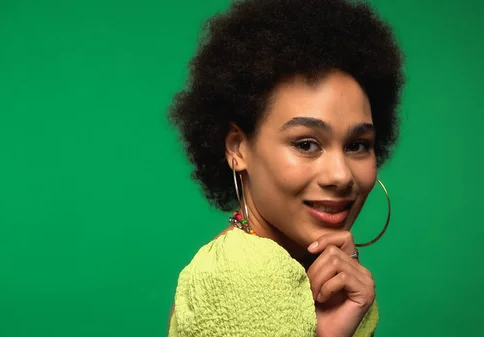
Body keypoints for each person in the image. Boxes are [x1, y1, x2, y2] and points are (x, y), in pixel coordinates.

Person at [166, 0, 404, 336]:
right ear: (237, 147)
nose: (340, 175)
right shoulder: (242, 275)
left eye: (357, 145)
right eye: (306, 144)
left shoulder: (297, 267)